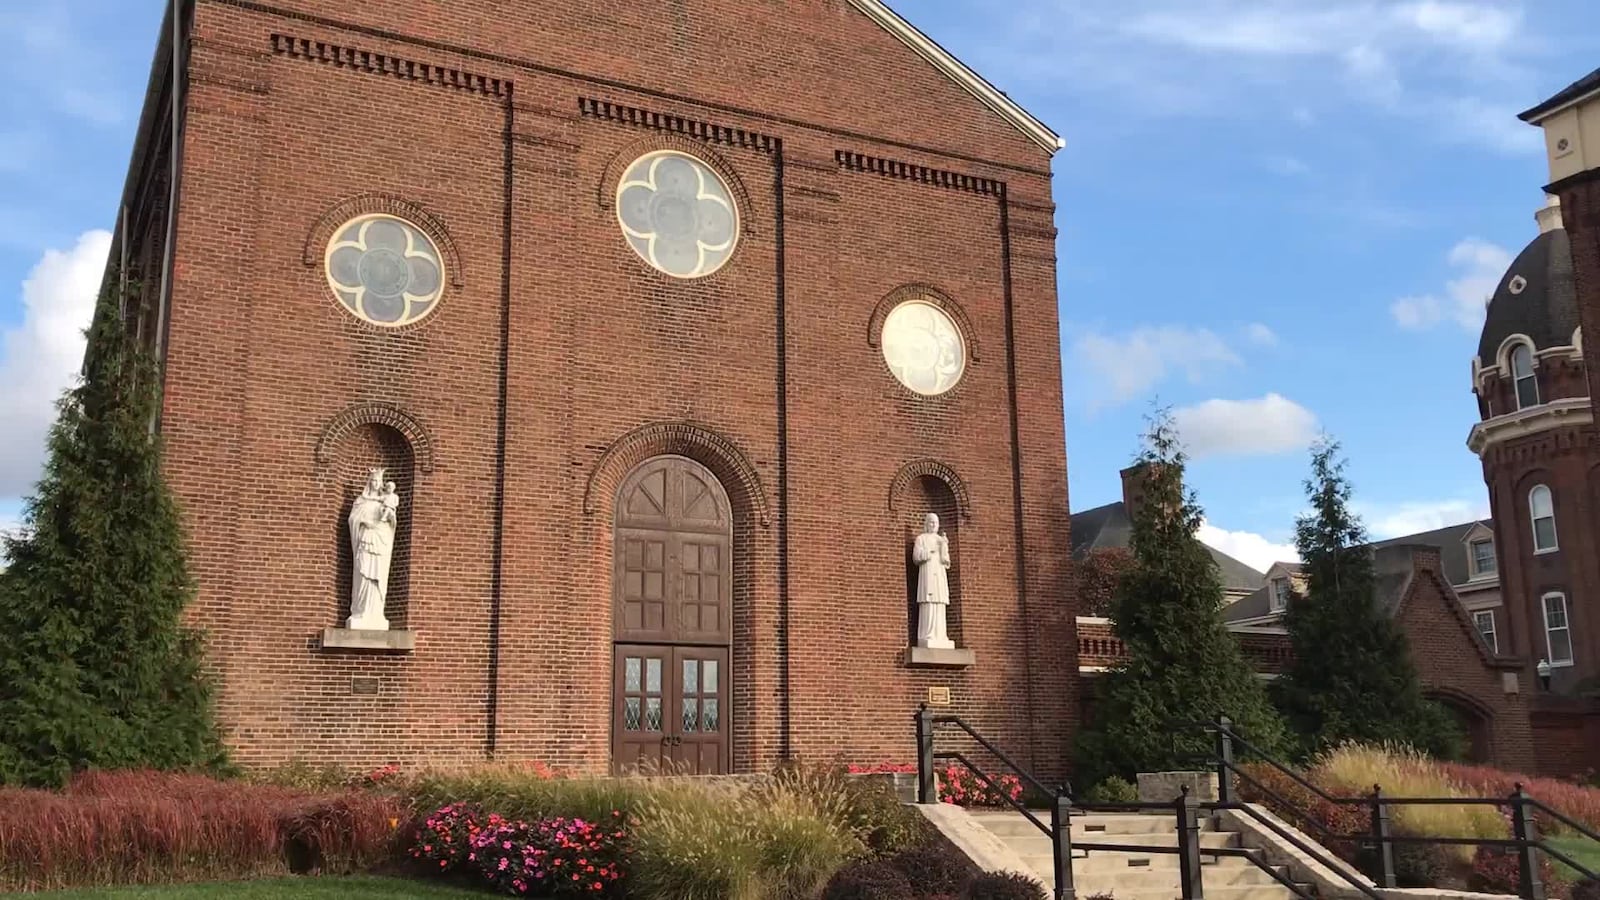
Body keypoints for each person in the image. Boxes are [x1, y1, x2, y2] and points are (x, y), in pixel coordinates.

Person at [347, 468, 397, 630]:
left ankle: (376, 612)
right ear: (369, 482)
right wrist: (363, 522)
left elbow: (392, 524)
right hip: (365, 541)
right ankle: (360, 611)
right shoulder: (362, 501)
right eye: (373, 481)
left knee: (378, 576)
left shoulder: (386, 501)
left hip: (381, 543)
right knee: (363, 573)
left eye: (378, 481)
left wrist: (389, 519)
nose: (375, 484)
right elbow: (353, 519)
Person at [912, 512, 954, 649]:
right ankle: (927, 633)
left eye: (935, 523)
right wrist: (928, 552)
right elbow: (916, 557)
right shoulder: (921, 538)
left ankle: (940, 634)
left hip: (939, 575)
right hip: (927, 574)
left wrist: (944, 547)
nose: (933, 525)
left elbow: (946, 560)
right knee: (928, 601)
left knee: (939, 602)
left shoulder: (940, 540)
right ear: (926, 524)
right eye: (931, 522)